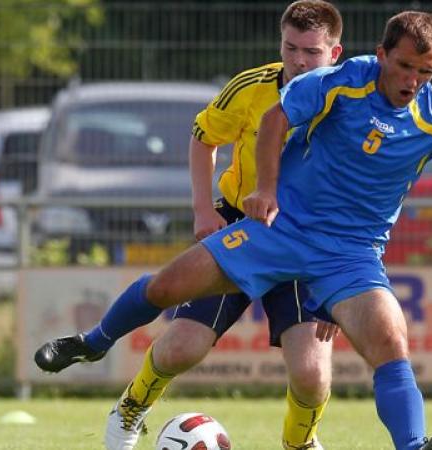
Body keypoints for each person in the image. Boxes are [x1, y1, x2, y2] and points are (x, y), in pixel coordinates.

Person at [37, 10, 432, 450]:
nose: (412, 80)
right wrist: (269, 190)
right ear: (381, 54)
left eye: (425, 72)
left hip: (351, 255)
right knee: (169, 290)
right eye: (404, 66)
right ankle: (95, 341)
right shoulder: (342, 81)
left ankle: (410, 446)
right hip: (279, 229)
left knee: (385, 341)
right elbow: (275, 121)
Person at [37, 2, 343, 450]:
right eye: (290, 48)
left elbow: (366, 194)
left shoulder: (351, 101)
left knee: (312, 375)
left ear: (334, 53)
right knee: (181, 345)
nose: (298, 61)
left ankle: (301, 443)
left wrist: (343, 279)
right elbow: (203, 138)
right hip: (245, 224)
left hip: (311, 241)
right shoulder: (251, 87)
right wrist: (203, 209)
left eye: (311, 52)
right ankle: (129, 409)